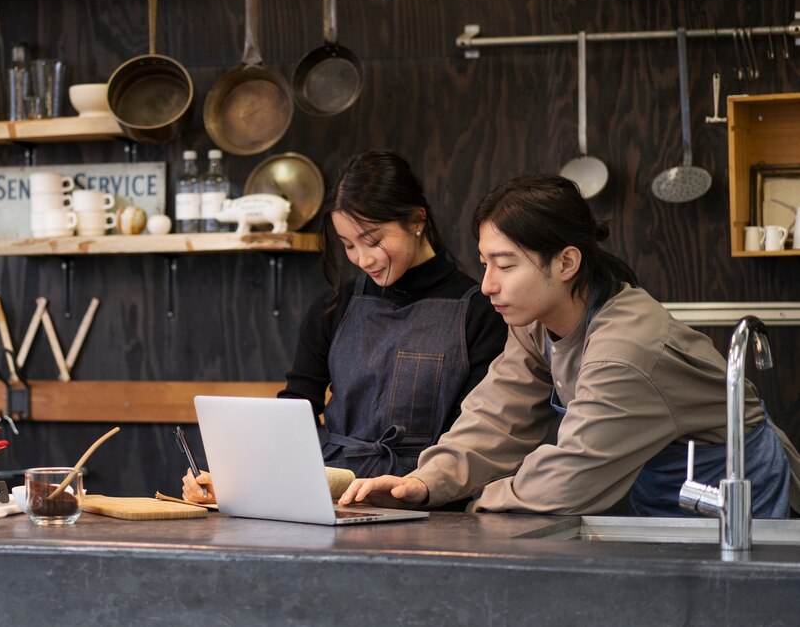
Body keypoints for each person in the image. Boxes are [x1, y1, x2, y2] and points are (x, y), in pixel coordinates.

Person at [340, 173, 800, 516]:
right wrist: (423, 483)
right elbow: (496, 416)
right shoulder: (535, 320)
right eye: (484, 263)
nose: (486, 286)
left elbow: (569, 477)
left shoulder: (626, 351)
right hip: (664, 497)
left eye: (504, 265)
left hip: (746, 500)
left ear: (566, 263)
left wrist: (470, 506)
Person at [182, 150, 507, 503]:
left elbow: (472, 435)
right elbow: (295, 412)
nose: (363, 259)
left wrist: (420, 486)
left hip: (429, 498)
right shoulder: (335, 306)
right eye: (348, 245)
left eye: (373, 240)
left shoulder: (480, 310)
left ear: (417, 220)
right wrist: (234, 480)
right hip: (334, 495)